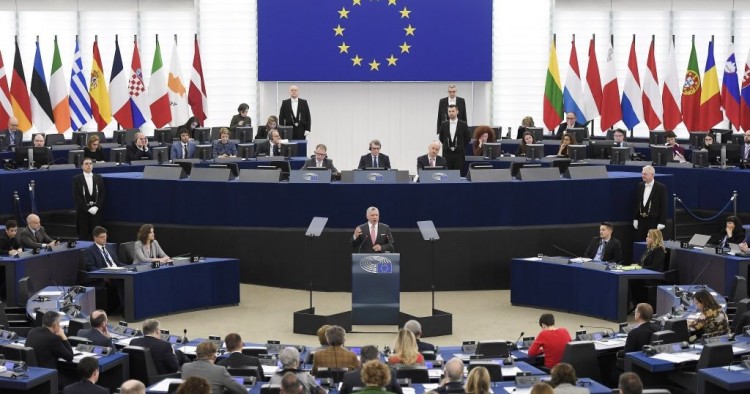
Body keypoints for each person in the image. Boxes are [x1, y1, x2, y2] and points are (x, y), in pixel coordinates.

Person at [181, 341, 246, 394]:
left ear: (197, 354)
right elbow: (242, 391)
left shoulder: (185, 367)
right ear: (214, 355)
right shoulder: (220, 370)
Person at [72, 157, 106, 240]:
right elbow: (76, 196)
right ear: (82, 166)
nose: (89, 166)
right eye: (86, 164)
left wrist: (96, 206)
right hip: (83, 212)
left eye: (90, 164)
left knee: (96, 234)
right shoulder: (76, 179)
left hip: (96, 212)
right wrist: (87, 208)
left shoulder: (99, 177)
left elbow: (102, 193)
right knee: (83, 235)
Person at [633, 165, 668, 242]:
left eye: (645, 174)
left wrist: (662, 222)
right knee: (640, 242)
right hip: (641, 220)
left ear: (652, 174)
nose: (643, 176)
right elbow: (637, 203)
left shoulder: (660, 187)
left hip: (653, 222)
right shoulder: (640, 185)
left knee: (652, 243)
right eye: (642, 173)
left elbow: (663, 205)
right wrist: (635, 218)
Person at [438, 104, 470, 175]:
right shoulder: (444, 124)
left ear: (457, 112)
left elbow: (468, 138)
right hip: (447, 154)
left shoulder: (463, 124)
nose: (451, 113)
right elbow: (441, 138)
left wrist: (460, 146)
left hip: (459, 154)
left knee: (458, 174)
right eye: (449, 111)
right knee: (446, 175)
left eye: (453, 111)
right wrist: (447, 145)